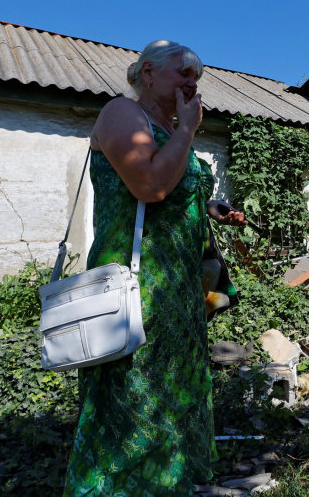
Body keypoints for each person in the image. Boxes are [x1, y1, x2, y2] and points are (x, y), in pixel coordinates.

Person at [64, 40, 246, 495]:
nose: (193, 83)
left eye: (196, 77)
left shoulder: (168, 126)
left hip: (177, 291)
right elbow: (148, 185)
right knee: (132, 393)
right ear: (148, 73)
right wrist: (186, 131)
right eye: (183, 73)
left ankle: (172, 480)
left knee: (173, 390)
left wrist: (208, 205)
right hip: (134, 286)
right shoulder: (122, 115)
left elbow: (174, 188)